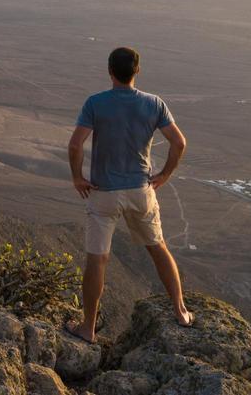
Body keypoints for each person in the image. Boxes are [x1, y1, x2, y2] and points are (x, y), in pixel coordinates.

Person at [65, 46, 192, 342]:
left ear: (110, 71)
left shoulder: (95, 103)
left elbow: (75, 145)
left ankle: (88, 328)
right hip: (140, 190)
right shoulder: (154, 103)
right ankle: (180, 310)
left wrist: (77, 178)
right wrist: (164, 175)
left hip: (103, 192)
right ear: (137, 71)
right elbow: (179, 143)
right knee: (158, 248)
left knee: (97, 260)